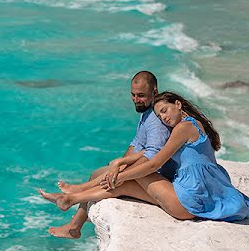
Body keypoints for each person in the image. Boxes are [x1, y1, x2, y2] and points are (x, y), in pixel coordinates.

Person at [39, 91, 249, 222]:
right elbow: (149, 153)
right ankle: (71, 198)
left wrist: (121, 171)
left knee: (129, 176)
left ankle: (78, 189)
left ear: (178, 104)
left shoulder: (184, 128)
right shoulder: (187, 127)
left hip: (186, 202)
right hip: (187, 199)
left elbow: (155, 162)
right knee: (124, 187)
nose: (163, 117)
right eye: (158, 115)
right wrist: (121, 162)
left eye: (165, 111)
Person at [47, 71, 177, 238]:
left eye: (141, 95)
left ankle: (75, 203)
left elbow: (153, 156)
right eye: (133, 95)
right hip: (148, 172)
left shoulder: (155, 120)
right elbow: (135, 146)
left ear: (155, 92)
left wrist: (122, 173)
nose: (136, 100)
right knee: (99, 173)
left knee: (113, 182)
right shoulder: (147, 113)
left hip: (159, 179)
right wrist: (118, 166)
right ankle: (75, 223)